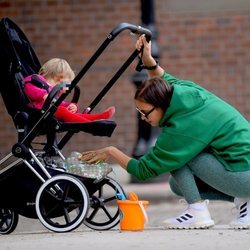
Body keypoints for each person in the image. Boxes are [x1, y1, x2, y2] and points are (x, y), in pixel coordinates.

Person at [80, 35, 250, 230]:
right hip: (242, 168)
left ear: (161, 105)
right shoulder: (183, 91)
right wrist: (148, 62)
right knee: (178, 185)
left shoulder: (181, 128)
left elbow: (143, 171)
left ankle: (198, 213)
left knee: (180, 156)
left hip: (245, 176)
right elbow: (165, 79)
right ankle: (244, 200)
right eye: (139, 112)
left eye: (145, 112)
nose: (143, 118)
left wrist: (111, 151)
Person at [23, 58, 115, 123]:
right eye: (67, 85)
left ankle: (98, 118)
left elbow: (62, 103)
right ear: (59, 78)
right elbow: (27, 86)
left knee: (71, 113)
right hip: (38, 112)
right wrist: (43, 95)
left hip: (50, 112)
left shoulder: (53, 93)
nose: (67, 90)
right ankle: (89, 125)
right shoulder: (37, 80)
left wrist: (72, 106)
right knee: (62, 111)